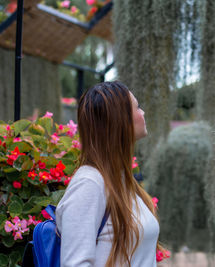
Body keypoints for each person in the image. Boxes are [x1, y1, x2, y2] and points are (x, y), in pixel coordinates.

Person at [56, 81, 163, 266]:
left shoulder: (119, 179)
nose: (143, 113)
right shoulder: (89, 183)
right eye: (137, 107)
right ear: (119, 120)